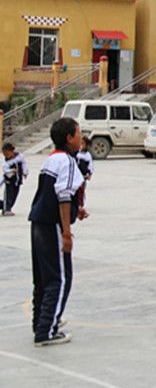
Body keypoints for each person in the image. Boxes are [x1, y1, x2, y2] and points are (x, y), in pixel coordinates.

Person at [29, 117, 86, 346]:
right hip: (52, 225)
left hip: (38, 222)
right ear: (70, 138)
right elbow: (63, 195)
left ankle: (40, 322)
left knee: (43, 280)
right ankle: (47, 331)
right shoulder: (67, 161)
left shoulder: (51, 160)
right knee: (60, 279)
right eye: (79, 133)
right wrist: (66, 232)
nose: (81, 137)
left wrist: (75, 210)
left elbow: (52, 194)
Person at [3, 142, 28, 216]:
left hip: (18, 180)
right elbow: (5, 169)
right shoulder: (7, 161)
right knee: (9, 195)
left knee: (14, 196)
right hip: (10, 180)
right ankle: (7, 209)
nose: (6, 156)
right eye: (4, 155)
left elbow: (24, 164)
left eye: (7, 154)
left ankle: (7, 207)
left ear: (12, 151)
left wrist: (25, 172)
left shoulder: (20, 157)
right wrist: (11, 171)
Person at [75, 137, 94, 219]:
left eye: (82, 143)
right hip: (75, 176)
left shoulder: (87, 155)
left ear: (87, 145)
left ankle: (80, 206)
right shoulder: (76, 153)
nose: (81, 145)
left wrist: (90, 174)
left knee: (81, 191)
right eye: (80, 143)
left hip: (83, 176)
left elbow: (90, 166)